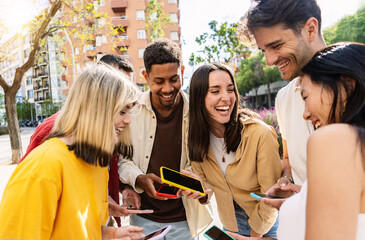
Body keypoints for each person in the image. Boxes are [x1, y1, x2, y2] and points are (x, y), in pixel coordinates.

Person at [0, 64, 144, 239]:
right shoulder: (44, 167)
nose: (128, 120)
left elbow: (78, 230)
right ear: (95, 109)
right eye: (122, 111)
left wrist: (111, 234)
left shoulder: (96, 164)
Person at [118, 39, 212, 239]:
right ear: (146, 76)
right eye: (159, 81)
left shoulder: (198, 112)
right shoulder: (131, 112)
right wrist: (139, 179)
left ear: (183, 71)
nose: (168, 88)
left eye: (174, 79)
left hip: (186, 220)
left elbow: (208, 166)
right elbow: (123, 160)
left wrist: (201, 187)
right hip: (144, 218)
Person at [188, 63, 282, 239]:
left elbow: (271, 193)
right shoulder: (197, 138)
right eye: (215, 91)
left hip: (265, 222)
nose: (226, 97)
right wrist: (199, 191)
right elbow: (208, 188)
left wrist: (256, 233)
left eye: (230, 89)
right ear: (199, 99)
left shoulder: (259, 134)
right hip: (230, 222)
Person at [239, 0, 327, 186]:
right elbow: (288, 158)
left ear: (310, 30)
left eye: (276, 45)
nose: (269, 61)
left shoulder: (358, 83)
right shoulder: (284, 99)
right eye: (264, 50)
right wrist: (286, 180)